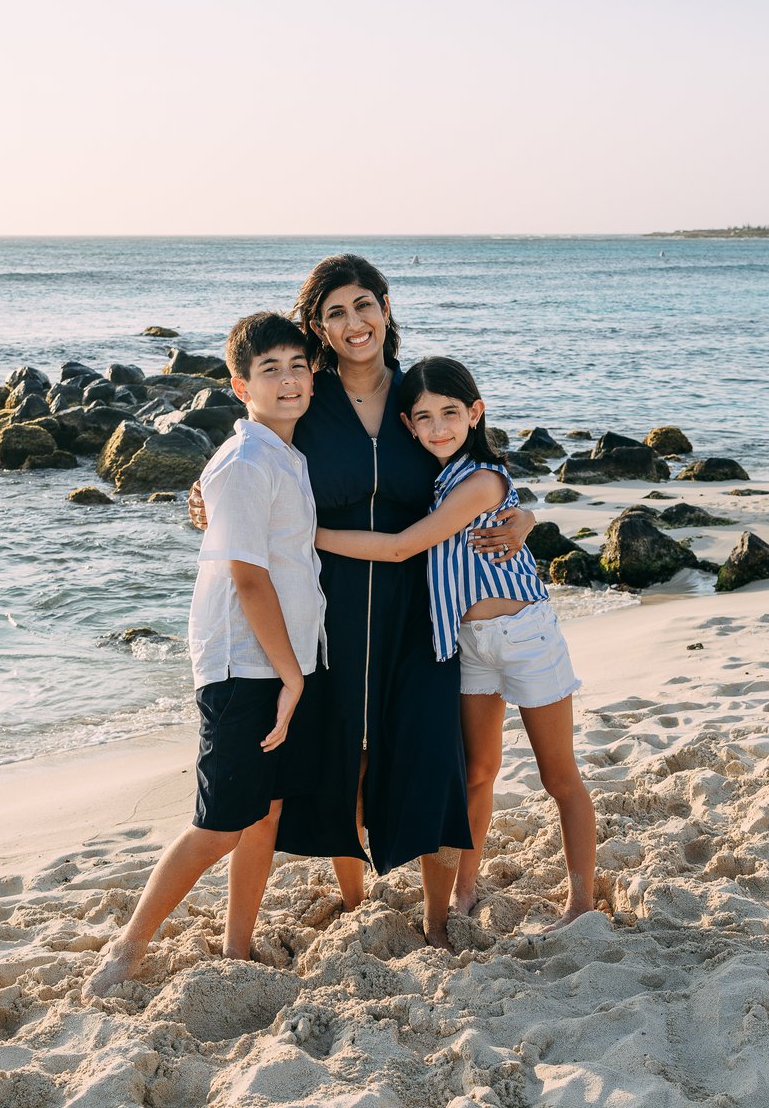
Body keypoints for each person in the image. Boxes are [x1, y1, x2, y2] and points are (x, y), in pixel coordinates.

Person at [189, 255, 537, 949]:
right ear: (318, 328)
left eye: (364, 305)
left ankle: (437, 922)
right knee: (340, 760)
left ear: (385, 306)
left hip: (422, 609)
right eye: (335, 313)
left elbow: (477, 459)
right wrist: (196, 498)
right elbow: (244, 463)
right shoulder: (306, 400)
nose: (354, 324)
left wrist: (525, 513)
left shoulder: (418, 390)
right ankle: (354, 900)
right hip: (329, 612)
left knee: (431, 760)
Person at [84, 312, 326, 999]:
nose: (287, 381)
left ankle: (236, 947)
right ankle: (128, 948)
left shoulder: (286, 454)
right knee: (219, 826)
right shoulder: (246, 462)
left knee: (266, 813)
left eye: (297, 366)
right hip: (244, 668)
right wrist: (291, 677)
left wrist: (295, 670)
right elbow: (248, 579)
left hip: (279, 665)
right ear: (240, 385)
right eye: (270, 370)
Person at [313, 357, 596, 927]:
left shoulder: (481, 480)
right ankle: (465, 889)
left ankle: (581, 900)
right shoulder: (436, 478)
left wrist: (305, 533)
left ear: (475, 412)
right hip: (464, 642)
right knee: (476, 773)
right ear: (408, 424)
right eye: (424, 417)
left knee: (558, 776)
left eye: (450, 413)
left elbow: (400, 548)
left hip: (524, 634)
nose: (438, 427)